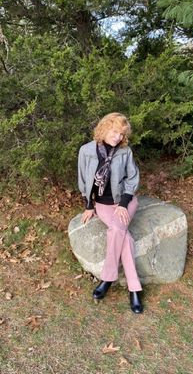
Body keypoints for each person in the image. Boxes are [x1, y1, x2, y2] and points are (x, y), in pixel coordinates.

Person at [78, 112, 143, 314]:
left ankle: (107, 279)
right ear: (104, 129)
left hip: (124, 201)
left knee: (116, 229)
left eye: (122, 134)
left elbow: (132, 178)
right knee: (123, 236)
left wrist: (124, 203)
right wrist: (89, 205)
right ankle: (134, 289)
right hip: (104, 205)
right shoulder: (87, 151)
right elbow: (83, 180)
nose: (118, 138)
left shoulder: (125, 152)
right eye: (115, 132)